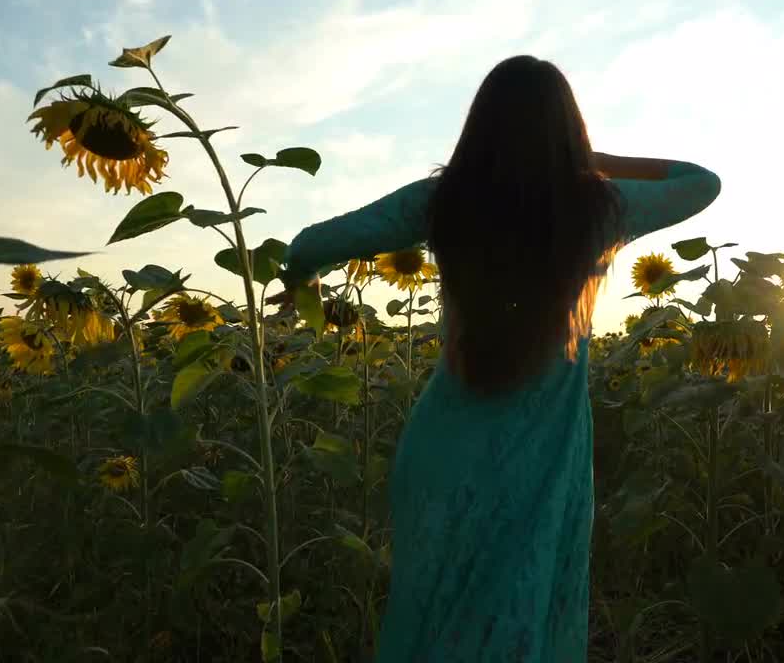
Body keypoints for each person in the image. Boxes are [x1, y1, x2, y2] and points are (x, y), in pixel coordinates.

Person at [277, 55, 720, 661]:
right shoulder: (601, 209)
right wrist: (590, 161)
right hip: (542, 457)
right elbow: (700, 181)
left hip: (444, 450)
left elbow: (312, 244)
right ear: (570, 132)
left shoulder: (443, 201)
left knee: (432, 618)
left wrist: (306, 287)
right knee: (525, 620)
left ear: (478, 130)